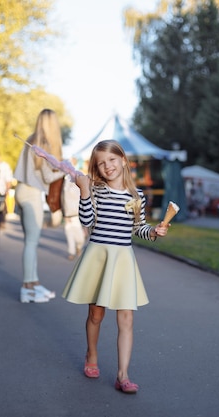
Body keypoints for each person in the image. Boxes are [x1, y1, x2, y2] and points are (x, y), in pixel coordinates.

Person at [62, 139, 170, 394]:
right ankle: (92, 353)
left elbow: (137, 228)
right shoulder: (96, 190)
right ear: (97, 169)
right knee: (96, 315)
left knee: (127, 318)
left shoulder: (137, 196)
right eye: (101, 163)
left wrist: (154, 231)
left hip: (122, 260)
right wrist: (85, 191)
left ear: (123, 160)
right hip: (99, 257)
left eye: (111, 160)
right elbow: (87, 221)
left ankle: (123, 375)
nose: (107, 166)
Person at [13, 109, 66, 303]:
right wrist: (65, 169)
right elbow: (48, 177)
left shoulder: (31, 139)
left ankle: (33, 283)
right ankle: (28, 288)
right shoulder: (44, 143)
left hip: (20, 190)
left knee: (29, 242)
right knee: (31, 243)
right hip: (32, 194)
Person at [61, 173, 86, 260]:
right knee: (69, 234)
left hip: (77, 214)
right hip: (68, 214)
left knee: (80, 238)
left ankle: (79, 247)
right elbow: (63, 199)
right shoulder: (65, 186)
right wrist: (64, 214)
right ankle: (71, 253)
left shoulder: (80, 186)